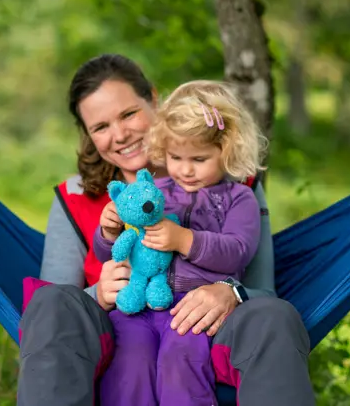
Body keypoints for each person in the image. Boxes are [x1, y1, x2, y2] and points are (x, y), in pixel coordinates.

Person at [16, 54, 316, 406]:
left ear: (154, 100)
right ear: (89, 136)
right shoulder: (75, 198)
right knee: (49, 300)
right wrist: (98, 293)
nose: (120, 134)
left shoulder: (237, 186)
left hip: (204, 333)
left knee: (275, 317)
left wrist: (231, 292)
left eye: (129, 114)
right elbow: (52, 312)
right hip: (117, 334)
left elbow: (263, 290)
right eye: (101, 127)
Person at [94, 80, 268, 406]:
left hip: (192, 310)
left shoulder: (239, 199)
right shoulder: (154, 190)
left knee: (181, 368)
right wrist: (109, 232)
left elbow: (237, 252)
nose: (185, 170)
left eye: (199, 159)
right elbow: (113, 254)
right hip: (138, 304)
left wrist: (185, 240)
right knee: (127, 365)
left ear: (226, 151)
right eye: (175, 157)